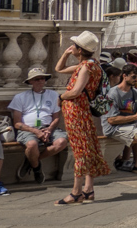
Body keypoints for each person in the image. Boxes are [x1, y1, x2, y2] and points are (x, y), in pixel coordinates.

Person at [53, 31, 110, 204]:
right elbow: (59, 69)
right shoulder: (91, 64)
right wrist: (65, 53)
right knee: (87, 148)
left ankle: (76, 192)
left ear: (80, 49)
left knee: (80, 150)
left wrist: (61, 97)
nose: (72, 48)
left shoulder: (85, 67)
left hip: (77, 111)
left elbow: (76, 91)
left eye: (74, 46)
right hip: (81, 111)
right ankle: (88, 189)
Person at [8, 67, 68, 184]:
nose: (41, 81)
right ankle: (36, 168)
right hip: (28, 129)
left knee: (62, 142)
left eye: (43, 79)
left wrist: (49, 129)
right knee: (31, 144)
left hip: (48, 127)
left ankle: (32, 160)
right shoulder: (20, 97)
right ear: (30, 81)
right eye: (37, 79)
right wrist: (36, 131)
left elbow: (56, 118)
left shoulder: (53, 95)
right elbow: (17, 123)